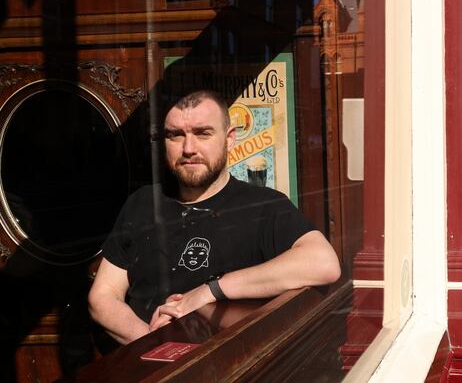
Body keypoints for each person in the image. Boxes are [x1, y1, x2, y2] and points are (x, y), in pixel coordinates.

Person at [88, 90, 341, 345]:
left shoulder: (263, 205)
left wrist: (210, 291)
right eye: (176, 135)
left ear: (229, 139)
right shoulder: (142, 202)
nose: (188, 149)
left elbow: (323, 263)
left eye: (202, 133)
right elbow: (103, 296)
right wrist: (152, 343)